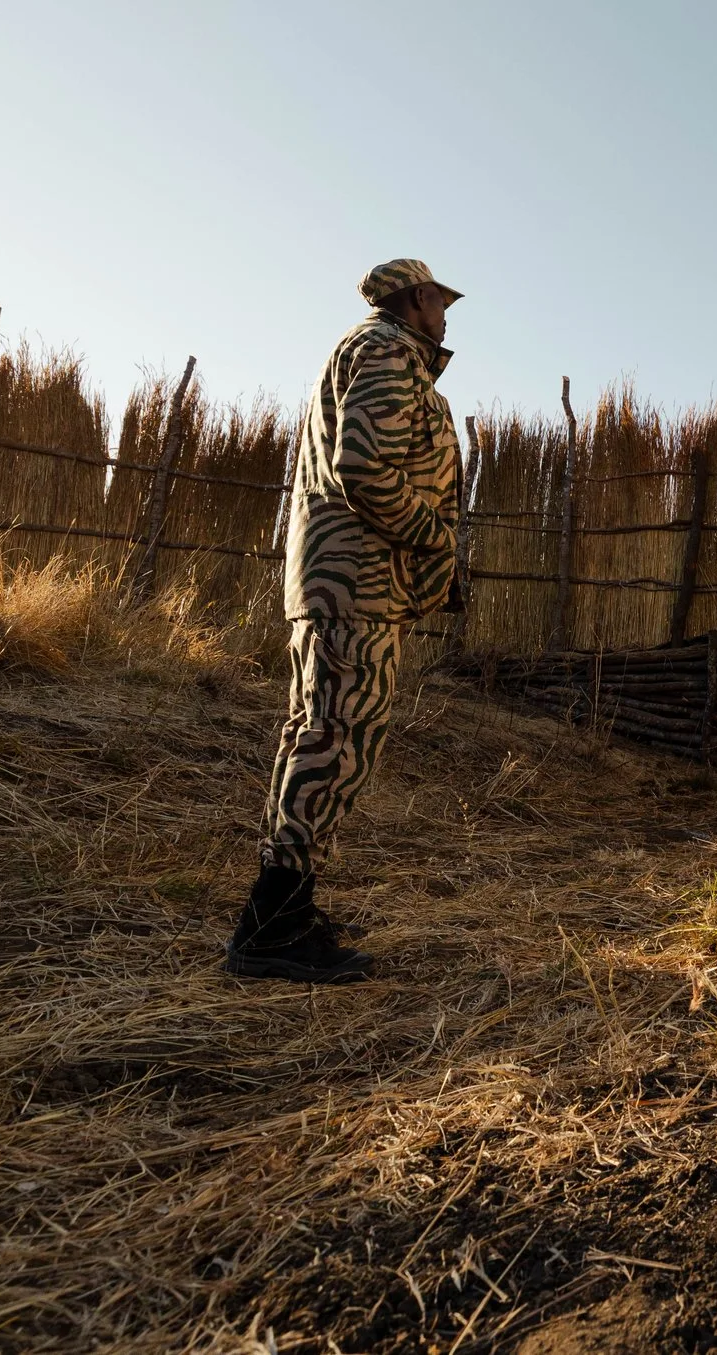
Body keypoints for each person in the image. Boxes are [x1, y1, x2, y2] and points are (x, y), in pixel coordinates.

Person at [224, 259, 466, 983]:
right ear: (417, 300)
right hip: (356, 583)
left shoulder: (370, 353)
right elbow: (363, 464)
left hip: (341, 581)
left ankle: (284, 911)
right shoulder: (387, 351)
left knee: (315, 735)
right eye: (441, 302)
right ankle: (270, 927)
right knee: (334, 740)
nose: (448, 316)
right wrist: (435, 536)